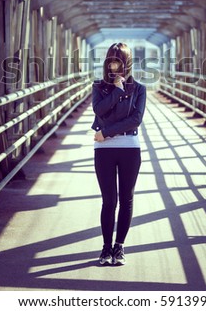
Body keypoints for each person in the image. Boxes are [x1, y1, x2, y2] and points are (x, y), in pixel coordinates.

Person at [91, 42, 147, 265]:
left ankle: (119, 247)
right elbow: (99, 110)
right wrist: (117, 90)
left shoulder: (140, 89)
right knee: (109, 201)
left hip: (130, 149)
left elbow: (136, 119)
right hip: (104, 151)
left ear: (128, 63)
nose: (115, 66)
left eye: (120, 61)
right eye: (112, 61)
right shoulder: (99, 87)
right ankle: (106, 248)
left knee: (126, 199)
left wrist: (106, 131)